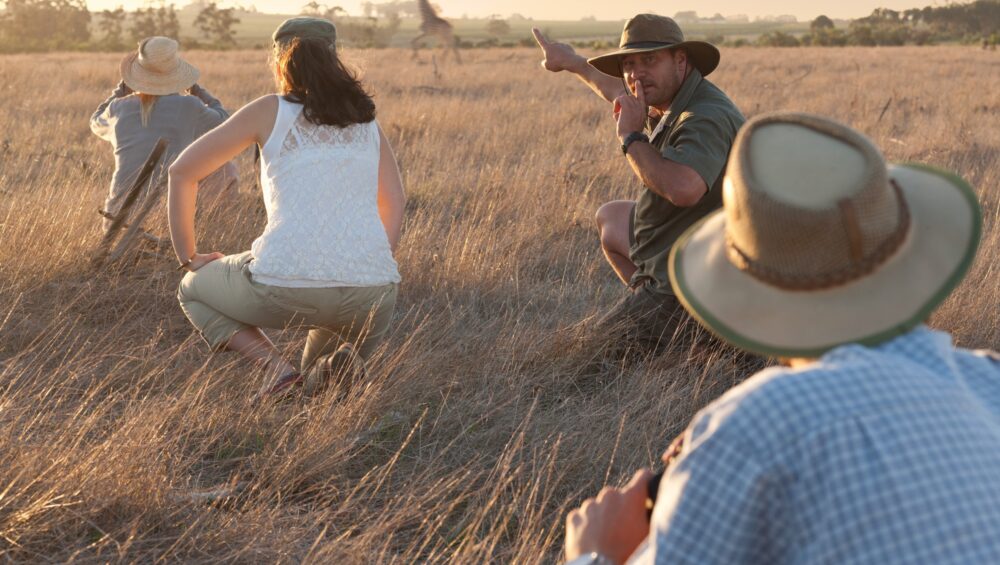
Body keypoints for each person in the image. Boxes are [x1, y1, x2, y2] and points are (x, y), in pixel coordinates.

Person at [561, 112, 1000, 564]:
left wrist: (596, 552)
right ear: (911, 251)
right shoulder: (990, 380)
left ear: (751, 291)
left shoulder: (751, 427)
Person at [167, 17, 405, 401]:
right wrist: (370, 261)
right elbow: (394, 201)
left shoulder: (270, 110)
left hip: (285, 285)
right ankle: (317, 377)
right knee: (318, 384)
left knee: (190, 289)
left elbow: (182, 172)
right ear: (333, 59)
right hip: (374, 294)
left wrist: (188, 256)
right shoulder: (365, 119)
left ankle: (277, 370)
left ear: (281, 61)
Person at [533, 15, 745, 358]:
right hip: (683, 250)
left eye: (650, 60)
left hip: (697, 281)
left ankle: (688, 333)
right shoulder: (672, 99)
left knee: (576, 364)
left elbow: (684, 189)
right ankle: (670, 329)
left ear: (681, 60)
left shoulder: (703, 116)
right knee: (612, 218)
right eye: (629, 64)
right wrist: (571, 62)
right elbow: (617, 91)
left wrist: (631, 137)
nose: (636, 73)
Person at [90, 36, 237, 232]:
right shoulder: (189, 106)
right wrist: (197, 90)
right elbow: (224, 120)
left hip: (115, 222)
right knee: (225, 166)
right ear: (176, 73)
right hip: (169, 225)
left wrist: (120, 90)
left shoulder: (119, 108)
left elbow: (95, 120)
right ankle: (219, 228)